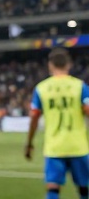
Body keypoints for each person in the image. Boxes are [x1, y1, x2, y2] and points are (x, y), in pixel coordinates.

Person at [26, 48, 89, 199]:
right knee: (84, 189)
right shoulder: (80, 86)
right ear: (69, 65)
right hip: (78, 146)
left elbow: (34, 118)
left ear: (50, 65)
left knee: (53, 189)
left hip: (54, 147)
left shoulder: (41, 88)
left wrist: (29, 143)